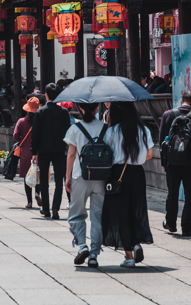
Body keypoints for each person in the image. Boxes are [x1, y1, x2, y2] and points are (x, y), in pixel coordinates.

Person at [101, 102, 155, 268]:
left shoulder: (112, 131)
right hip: (137, 173)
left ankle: (129, 256)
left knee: (121, 213)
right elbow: (150, 155)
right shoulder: (144, 130)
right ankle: (137, 242)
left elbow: (106, 154)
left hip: (118, 174)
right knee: (136, 210)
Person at [158, 90, 191, 237]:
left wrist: (163, 161)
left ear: (181, 100)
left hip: (172, 163)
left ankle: (171, 223)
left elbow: (162, 140)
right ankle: (186, 227)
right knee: (190, 195)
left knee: (172, 193)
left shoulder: (168, 115)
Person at [64, 102, 107, 267]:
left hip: (80, 176)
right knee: (98, 216)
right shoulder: (105, 128)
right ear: (97, 108)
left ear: (80, 108)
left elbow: (71, 154)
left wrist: (67, 177)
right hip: (101, 177)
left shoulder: (75, 128)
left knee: (76, 214)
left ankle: (82, 246)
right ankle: (94, 255)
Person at [30, 83, 71, 220]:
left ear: (46, 95)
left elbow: (35, 133)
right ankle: (55, 208)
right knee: (59, 179)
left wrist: (34, 151)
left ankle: (46, 208)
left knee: (44, 179)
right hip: (60, 149)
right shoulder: (64, 112)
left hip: (44, 149)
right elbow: (68, 131)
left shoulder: (41, 112)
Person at [14, 96, 40, 209]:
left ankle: (29, 201)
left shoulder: (21, 121)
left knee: (26, 178)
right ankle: (37, 194)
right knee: (38, 176)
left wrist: (21, 138)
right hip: (38, 153)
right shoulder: (41, 122)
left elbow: (15, 136)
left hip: (25, 153)